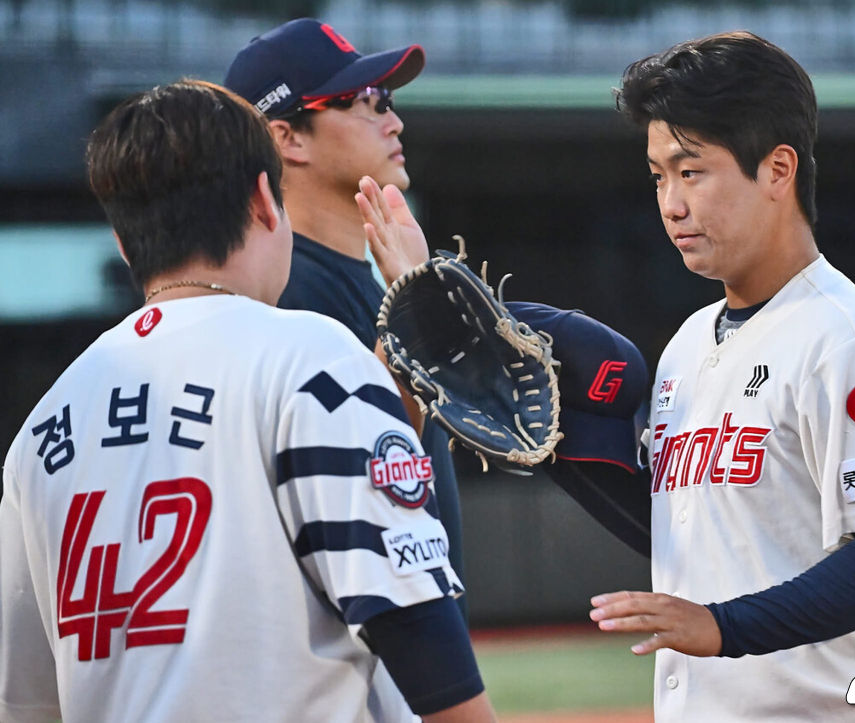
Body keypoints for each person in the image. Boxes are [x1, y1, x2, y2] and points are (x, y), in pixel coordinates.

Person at [0, 80, 494, 723]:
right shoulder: (313, 356)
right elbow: (411, 618)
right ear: (266, 201)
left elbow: (27, 700)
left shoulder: (41, 430)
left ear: (124, 243)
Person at [574, 32, 855, 721]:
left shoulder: (852, 342)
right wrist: (562, 456)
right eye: (659, 176)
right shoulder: (689, 344)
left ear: (778, 170)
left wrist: (724, 626)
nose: (671, 203)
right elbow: (697, 527)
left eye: (691, 171)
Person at [222, 18, 466, 619]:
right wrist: (414, 304)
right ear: (288, 138)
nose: (394, 120)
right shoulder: (281, 292)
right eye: (366, 102)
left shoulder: (373, 274)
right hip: (349, 655)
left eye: (389, 101)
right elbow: (374, 459)